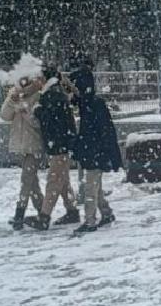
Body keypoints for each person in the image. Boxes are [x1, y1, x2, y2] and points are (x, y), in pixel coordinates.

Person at [27, 67, 80, 231]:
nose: (37, 81)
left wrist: (38, 111)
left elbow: (50, 121)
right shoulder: (56, 92)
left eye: (39, 77)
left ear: (45, 79)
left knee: (54, 180)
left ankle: (44, 217)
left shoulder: (52, 95)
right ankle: (72, 210)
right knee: (62, 181)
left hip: (58, 144)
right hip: (61, 143)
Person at [70, 66, 121, 234]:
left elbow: (102, 131)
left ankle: (90, 221)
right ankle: (106, 213)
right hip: (94, 151)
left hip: (94, 151)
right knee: (94, 185)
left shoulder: (92, 104)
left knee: (91, 187)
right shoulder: (90, 103)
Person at [0, 73, 45, 229]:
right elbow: (4, 116)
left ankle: (20, 213)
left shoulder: (39, 97)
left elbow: (38, 123)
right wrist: (12, 102)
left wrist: (24, 110)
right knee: (32, 183)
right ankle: (43, 210)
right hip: (20, 146)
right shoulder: (15, 94)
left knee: (26, 180)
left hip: (34, 145)